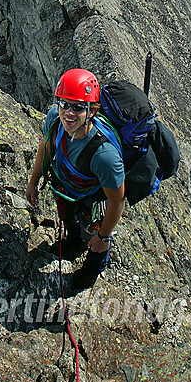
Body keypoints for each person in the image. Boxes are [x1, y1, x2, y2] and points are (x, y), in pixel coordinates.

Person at [26, 68, 125, 290]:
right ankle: (73, 244)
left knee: (95, 240)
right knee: (70, 221)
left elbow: (117, 201)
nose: (68, 113)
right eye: (64, 103)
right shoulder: (54, 118)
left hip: (92, 199)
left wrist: (104, 236)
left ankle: (91, 271)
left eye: (79, 107)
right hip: (67, 188)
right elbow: (47, 146)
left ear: (91, 111)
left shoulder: (104, 155)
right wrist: (33, 183)